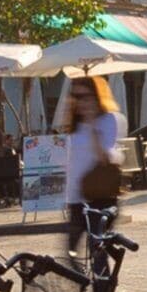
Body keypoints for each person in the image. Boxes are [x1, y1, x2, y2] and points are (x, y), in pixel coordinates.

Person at [58, 72, 125, 248]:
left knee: (97, 252)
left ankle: (104, 276)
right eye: (74, 96)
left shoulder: (110, 119)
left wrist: (92, 125)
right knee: (71, 253)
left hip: (100, 196)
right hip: (77, 197)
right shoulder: (75, 125)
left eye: (83, 96)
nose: (79, 101)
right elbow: (71, 163)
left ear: (96, 96)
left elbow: (105, 158)